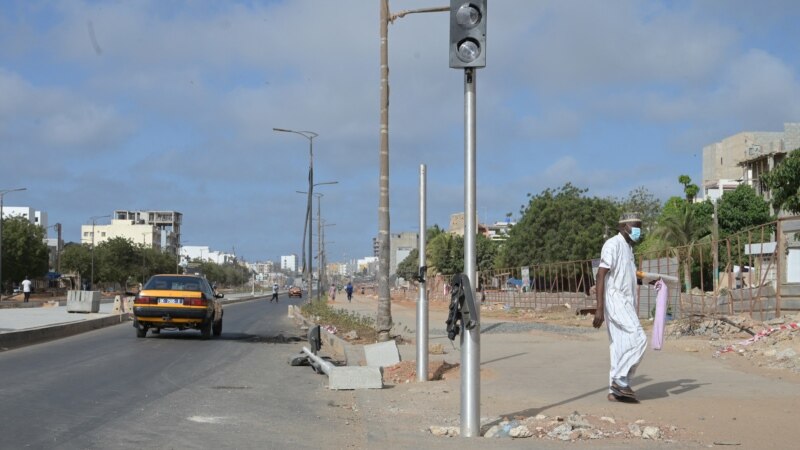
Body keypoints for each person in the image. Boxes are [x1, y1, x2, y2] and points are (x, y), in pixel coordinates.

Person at [593, 212, 647, 403]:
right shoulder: (612, 245)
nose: (639, 230)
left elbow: (628, 277)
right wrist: (599, 308)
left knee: (620, 346)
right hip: (616, 301)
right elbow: (601, 275)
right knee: (639, 337)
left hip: (627, 302)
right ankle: (620, 380)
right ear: (624, 227)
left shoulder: (628, 249)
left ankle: (614, 391)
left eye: (640, 226)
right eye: (636, 226)